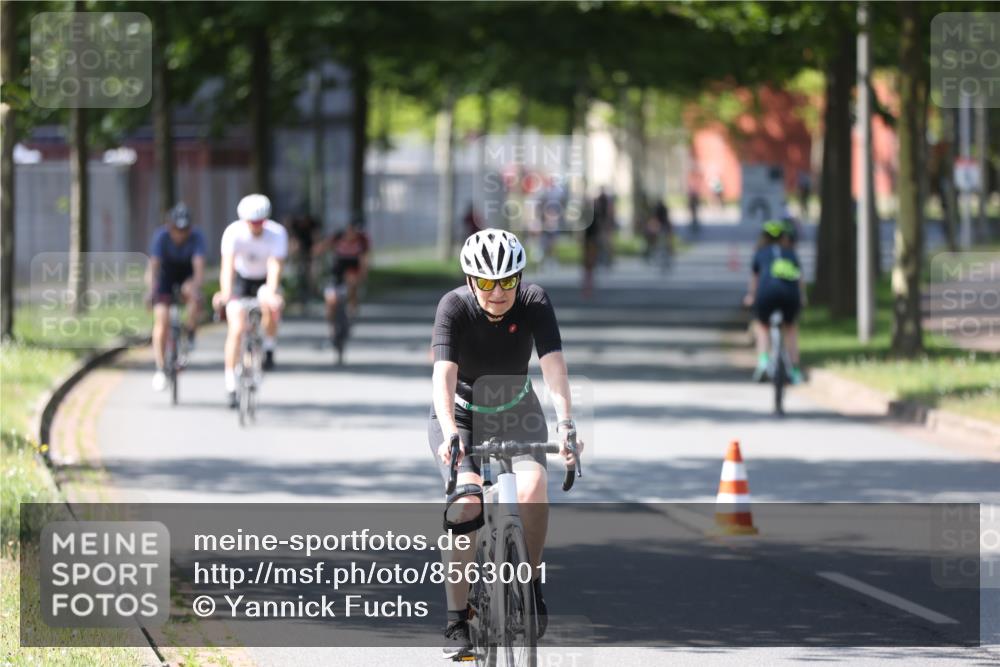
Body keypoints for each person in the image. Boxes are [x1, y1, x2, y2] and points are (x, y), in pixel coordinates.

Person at [428, 228, 582, 659]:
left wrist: (566, 424)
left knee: (533, 489)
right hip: (459, 414)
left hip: (515, 406)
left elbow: (554, 368)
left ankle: (530, 586)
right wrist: (450, 436)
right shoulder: (453, 307)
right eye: (487, 283)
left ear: (520, 278)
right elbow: (442, 377)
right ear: (470, 280)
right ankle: (457, 616)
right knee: (466, 504)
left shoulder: (534, 301)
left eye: (508, 281)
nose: (498, 292)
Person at [212, 194, 287, 408]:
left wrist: (272, 292)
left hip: (264, 279)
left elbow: (275, 266)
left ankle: (269, 347)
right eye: (252, 223)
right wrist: (225, 292)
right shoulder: (233, 232)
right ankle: (230, 385)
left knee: (270, 305)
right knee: (236, 329)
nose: (256, 227)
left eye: (260, 222)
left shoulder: (277, 233)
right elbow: (227, 266)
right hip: (241, 280)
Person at [146, 203, 205, 391]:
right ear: (169, 226)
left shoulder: (197, 238)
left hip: (186, 273)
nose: (180, 234)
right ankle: (160, 368)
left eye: (184, 229)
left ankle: (190, 333)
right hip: (166, 275)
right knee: (161, 320)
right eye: (176, 229)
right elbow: (153, 267)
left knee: (192, 296)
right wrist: (151, 290)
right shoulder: (161, 237)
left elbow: (199, 269)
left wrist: (195, 287)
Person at [743, 219, 807, 385]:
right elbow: (799, 278)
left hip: (766, 294)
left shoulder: (760, 253)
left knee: (762, 325)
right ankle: (794, 371)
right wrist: (802, 297)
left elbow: (755, 279)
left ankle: (763, 361)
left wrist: (750, 296)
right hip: (790, 295)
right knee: (791, 330)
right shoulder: (791, 253)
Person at [313, 219, 370, 352]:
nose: (351, 234)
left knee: (351, 282)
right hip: (337, 273)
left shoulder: (361, 242)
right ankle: (332, 328)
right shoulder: (338, 237)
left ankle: (351, 311)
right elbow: (322, 247)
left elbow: (364, 262)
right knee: (330, 300)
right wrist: (317, 250)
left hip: (353, 271)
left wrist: (362, 276)